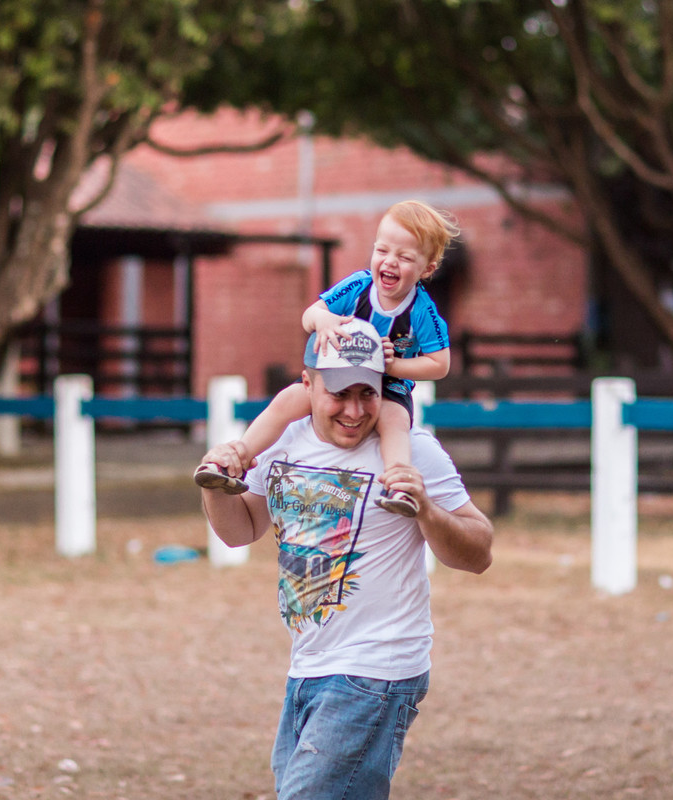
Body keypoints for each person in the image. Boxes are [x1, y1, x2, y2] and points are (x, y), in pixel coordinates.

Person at [198, 319, 493, 799]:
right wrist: (215, 488)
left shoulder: (411, 452)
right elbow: (241, 530)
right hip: (308, 667)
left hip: (377, 670)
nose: (355, 411)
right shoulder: (280, 443)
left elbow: (479, 552)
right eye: (340, 394)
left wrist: (427, 510)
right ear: (308, 383)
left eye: (368, 394)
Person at [195, 199, 458, 517]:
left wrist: (392, 366)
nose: (389, 262)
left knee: (395, 423)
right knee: (286, 400)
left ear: (426, 269)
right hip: (337, 374)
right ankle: (237, 458)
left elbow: (439, 364)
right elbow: (310, 314)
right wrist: (324, 321)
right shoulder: (359, 285)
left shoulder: (422, 310)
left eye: (404, 257)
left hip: (387, 387)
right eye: (382, 250)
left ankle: (399, 484)